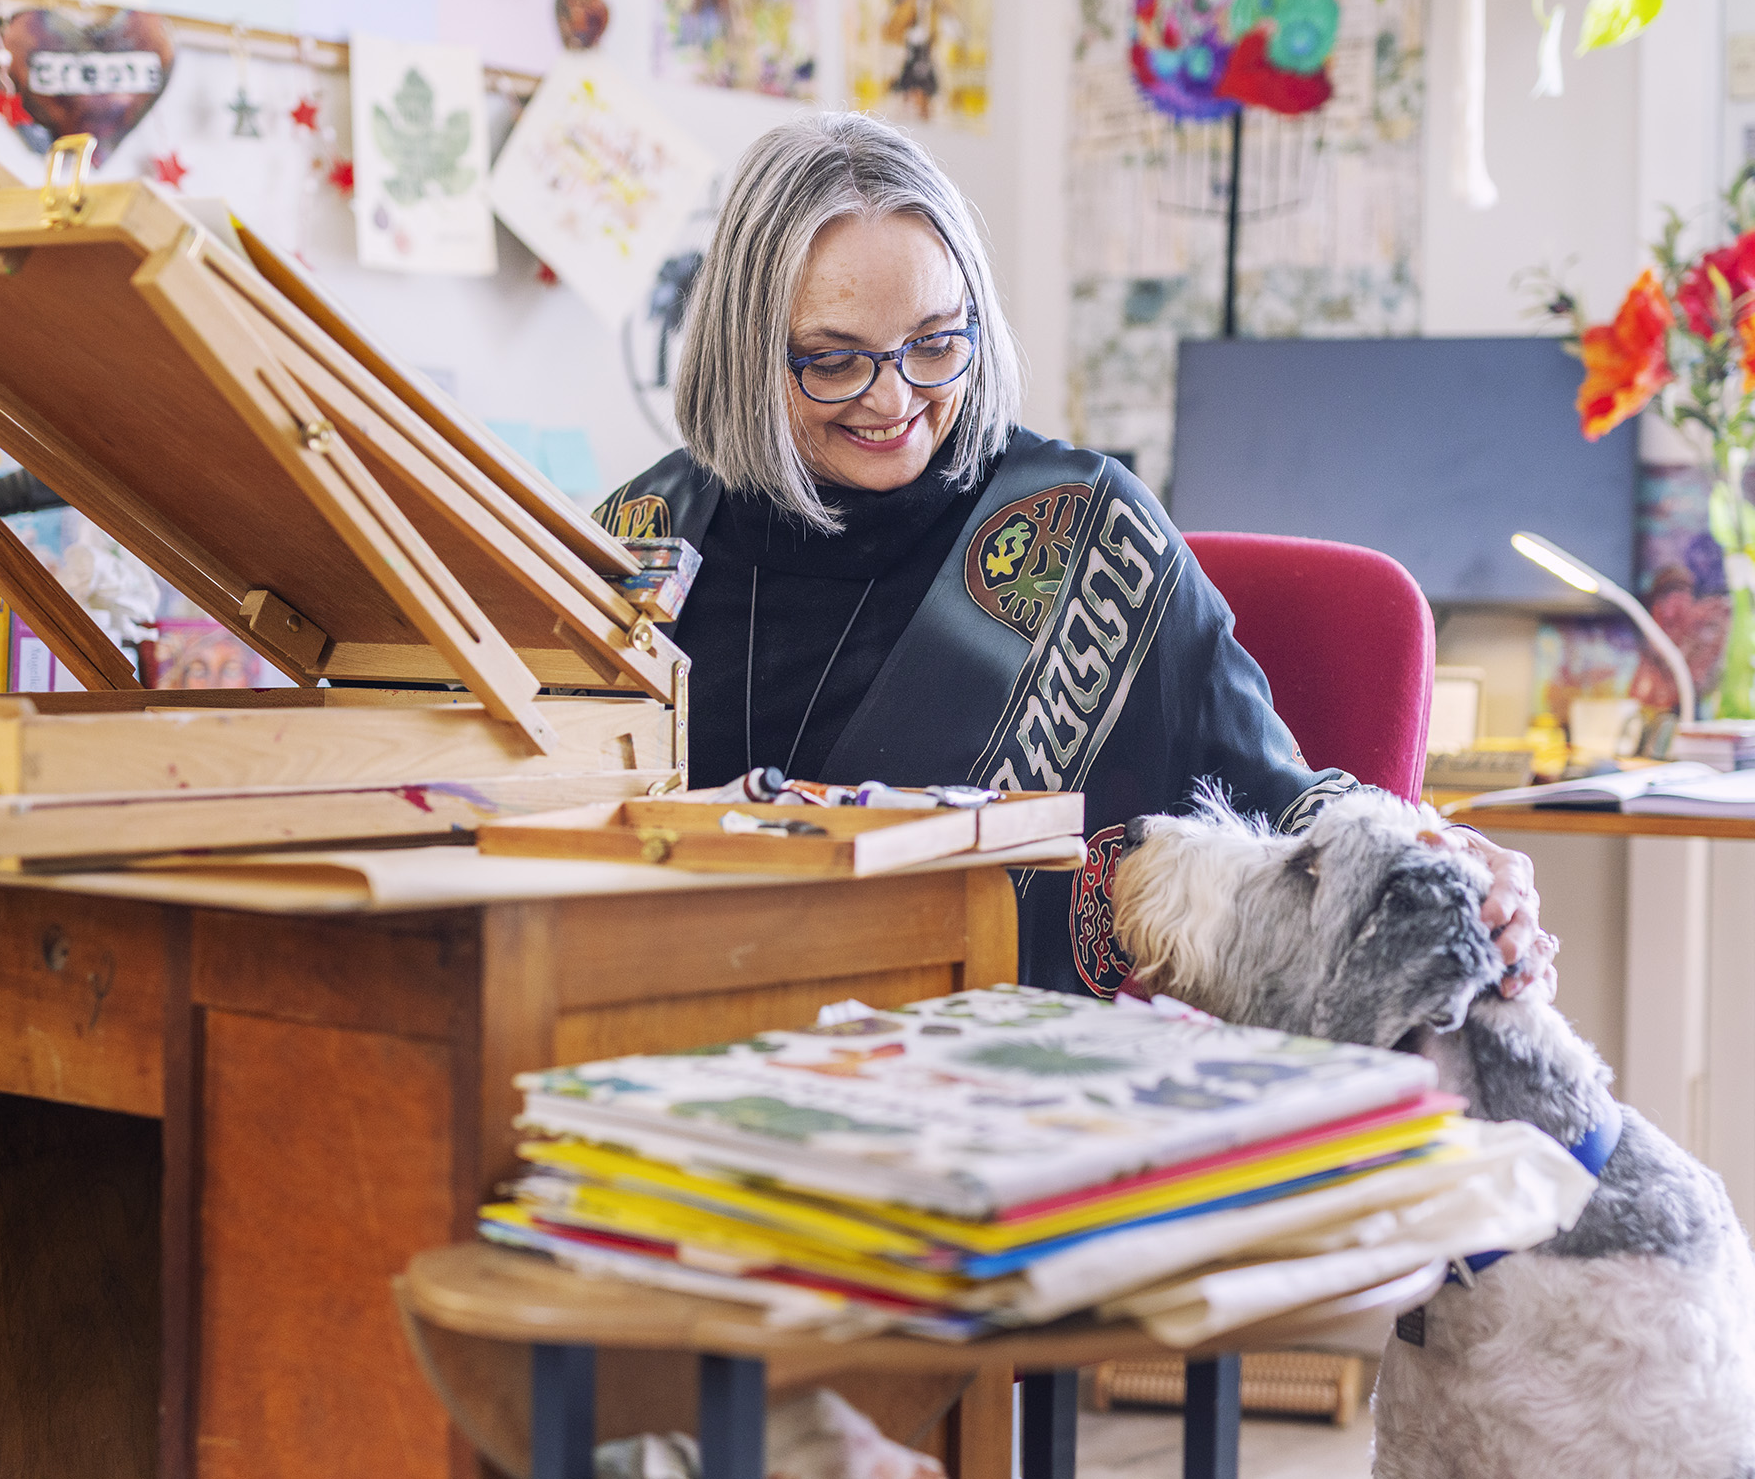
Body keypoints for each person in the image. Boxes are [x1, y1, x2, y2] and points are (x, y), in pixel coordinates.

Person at [597, 113, 1548, 998]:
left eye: (936, 343)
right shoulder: (641, 536)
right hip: (649, 1029)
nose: (894, 400)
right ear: (745, 351)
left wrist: (1449, 858)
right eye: (836, 361)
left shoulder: (1092, 533)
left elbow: (1278, 800)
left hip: (972, 1063)